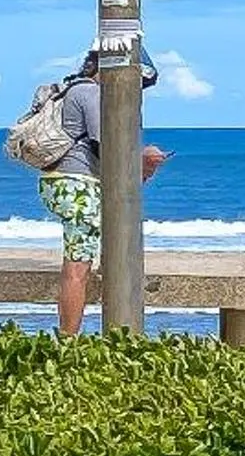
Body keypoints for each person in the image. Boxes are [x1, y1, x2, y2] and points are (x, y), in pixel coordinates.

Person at [41, 48, 168, 335]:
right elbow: (108, 149)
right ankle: (68, 341)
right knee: (77, 267)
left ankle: (93, 332)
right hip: (77, 184)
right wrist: (142, 161)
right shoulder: (90, 93)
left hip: (68, 183)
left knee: (97, 256)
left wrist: (138, 168)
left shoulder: (76, 90)